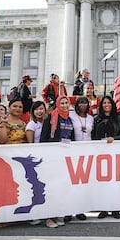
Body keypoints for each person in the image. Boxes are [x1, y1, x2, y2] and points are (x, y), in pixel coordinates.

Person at [40, 95, 74, 227]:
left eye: (67, 103)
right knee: (50, 188)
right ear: (58, 104)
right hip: (52, 157)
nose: (65, 105)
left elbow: (72, 137)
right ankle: (48, 218)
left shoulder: (69, 119)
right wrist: (57, 144)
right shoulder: (51, 118)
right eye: (62, 103)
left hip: (65, 158)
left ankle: (59, 213)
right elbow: (43, 139)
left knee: (62, 186)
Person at [92, 95, 120, 219]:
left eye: (109, 103)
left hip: (115, 154)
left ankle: (115, 208)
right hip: (100, 154)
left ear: (112, 104)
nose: (106, 105)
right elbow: (93, 136)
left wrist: (114, 139)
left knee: (115, 182)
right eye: (104, 103)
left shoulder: (118, 118)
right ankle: (103, 208)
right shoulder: (97, 119)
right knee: (102, 183)